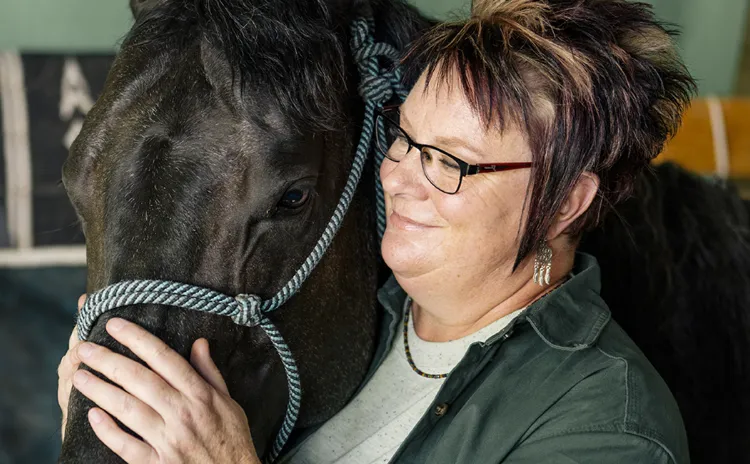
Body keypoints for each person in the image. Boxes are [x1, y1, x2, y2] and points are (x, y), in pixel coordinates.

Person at [57, 0, 695, 462]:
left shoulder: (610, 425)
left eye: (450, 161)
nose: (400, 178)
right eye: (406, 139)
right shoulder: (363, 318)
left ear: (564, 205)